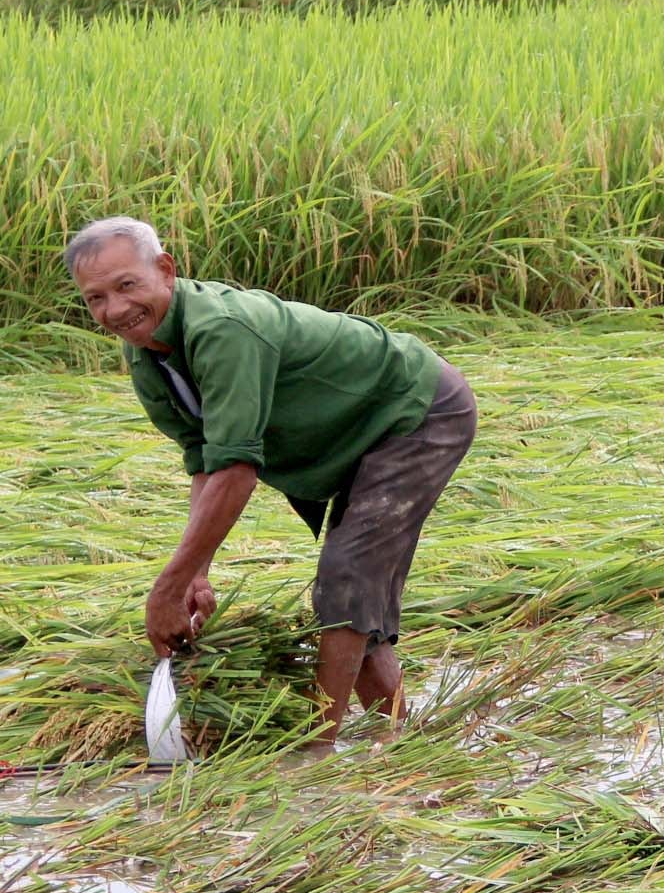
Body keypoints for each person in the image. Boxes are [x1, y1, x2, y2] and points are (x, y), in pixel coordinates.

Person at [66, 216, 478, 741]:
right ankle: (396, 741)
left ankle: (315, 753)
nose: (115, 309)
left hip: (415, 411)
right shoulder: (148, 357)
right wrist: (196, 574)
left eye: (127, 285)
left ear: (165, 271)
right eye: (96, 298)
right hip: (352, 428)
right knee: (352, 596)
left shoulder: (222, 330)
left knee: (347, 574)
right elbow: (206, 458)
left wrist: (168, 589)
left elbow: (238, 470)